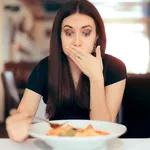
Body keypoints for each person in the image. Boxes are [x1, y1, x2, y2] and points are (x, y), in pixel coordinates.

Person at [6, 0, 127, 142]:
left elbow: (104, 129)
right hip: (57, 142)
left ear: (97, 36)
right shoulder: (44, 68)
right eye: (69, 33)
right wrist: (17, 129)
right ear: (60, 36)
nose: (76, 42)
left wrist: (96, 78)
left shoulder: (115, 68)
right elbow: (22, 117)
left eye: (86, 33)